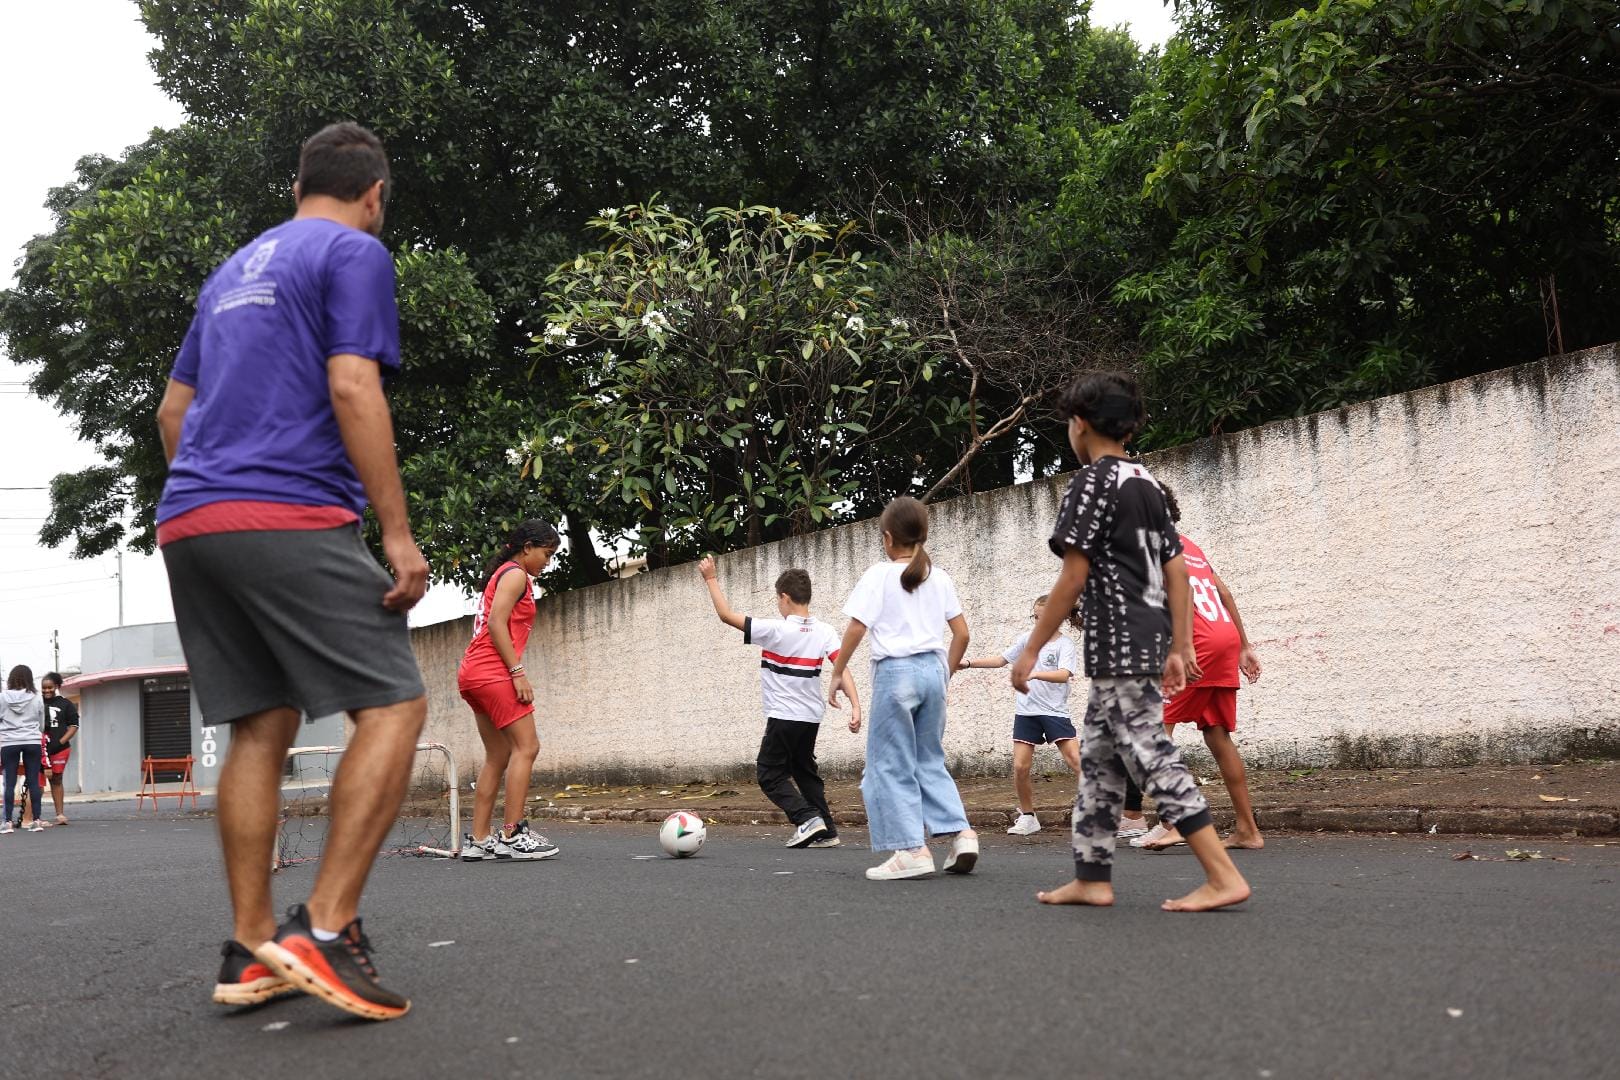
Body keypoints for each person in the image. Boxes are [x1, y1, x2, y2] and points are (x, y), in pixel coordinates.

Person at [154, 122, 431, 1019]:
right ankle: (326, 925)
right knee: (394, 702)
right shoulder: (352, 251)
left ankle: (251, 950)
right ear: (375, 194)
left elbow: (172, 412)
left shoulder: (231, 272)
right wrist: (396, 533)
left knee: (261, 723)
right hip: (284, 512)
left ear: (295, 181)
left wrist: (213, 498)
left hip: (193, 518)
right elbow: (354, 386)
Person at [1012, 371, 1250, 912]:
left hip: (1118, 644)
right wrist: (1180, 643)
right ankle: (1092, 876)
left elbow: (1073, 576)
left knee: (1149, 751)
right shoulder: (1145, 482)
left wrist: (1031, 647)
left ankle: (1222, 873)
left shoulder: (1090, 483)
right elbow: (1178, 571)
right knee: (1098, 763)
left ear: (1079, 424)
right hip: (1141, 640)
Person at [828, 496, 979, 881]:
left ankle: (912, 849)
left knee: (887, 764)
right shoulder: (939, 576)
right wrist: (943, 675)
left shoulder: (878, 575)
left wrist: (837, 672)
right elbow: (961, 633)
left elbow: (857, 628)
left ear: (888, 537)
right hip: (932, 668)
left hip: (896, 672)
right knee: (928, 758)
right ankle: (961, 834)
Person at [1127, 484, 1264, 850]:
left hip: (1197, 641)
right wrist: (1244, 645)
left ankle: (1174, 823)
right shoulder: (1190, 545)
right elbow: (1223, 592)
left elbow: (1177, 593)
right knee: (1217, 734)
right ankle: (1247, 829)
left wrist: (1181, 647)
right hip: (1223, 637)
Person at [698, 556, 859, 849]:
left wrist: (710, 578)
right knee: (803, 771)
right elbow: (842, 667)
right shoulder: (825, 631)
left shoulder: (775, 630)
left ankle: (807, 818)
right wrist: (856, 705)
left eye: (777, 599)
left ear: (784, 598)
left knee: (769, 774)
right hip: (811, 717)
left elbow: (725, 615)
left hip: (784, 715)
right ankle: (827, 830)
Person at [957, 595, 1150, 836]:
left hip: (1054, 712)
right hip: (1026, 713)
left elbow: (1064, 674)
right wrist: (966, 663)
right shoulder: (1027, 640)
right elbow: (1000, 660)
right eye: (1035, 617)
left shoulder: (1064, 644)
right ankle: (1028, 817)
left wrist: (1035, 674)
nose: (1038, 623)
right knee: (1020, 766)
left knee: (1076, 761)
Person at [457, 519, 562, 862]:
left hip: (473, 673)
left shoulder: (504, 573)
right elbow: (496, 623)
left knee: (498, 755)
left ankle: (479, 839)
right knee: (527, 747)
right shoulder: (515, 573)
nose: (547, 561)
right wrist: (517, 672)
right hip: (493, 672)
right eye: (546, 554)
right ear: (527, 547)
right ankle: (513, 834)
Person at [1, 666, 47, 835]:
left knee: (10, 781)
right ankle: (36, 821)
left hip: (9, 742)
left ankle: (7, 823)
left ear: (11, 678)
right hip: (32, 741)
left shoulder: (2, 697)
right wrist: (35, 732)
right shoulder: (37, 697)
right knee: (34, 780)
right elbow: (42, 722)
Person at [41, 673, 78, 825]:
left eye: (50, 687)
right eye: (44, 688)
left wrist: (60, 741)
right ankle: (35, 816)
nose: (46, 691)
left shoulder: (66, 704)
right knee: (38, 781)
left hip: (60, 749)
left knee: (56, 779)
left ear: (57, 687)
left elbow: (74, 726)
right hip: (39, 749)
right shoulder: (36, 703)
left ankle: (60, 814)